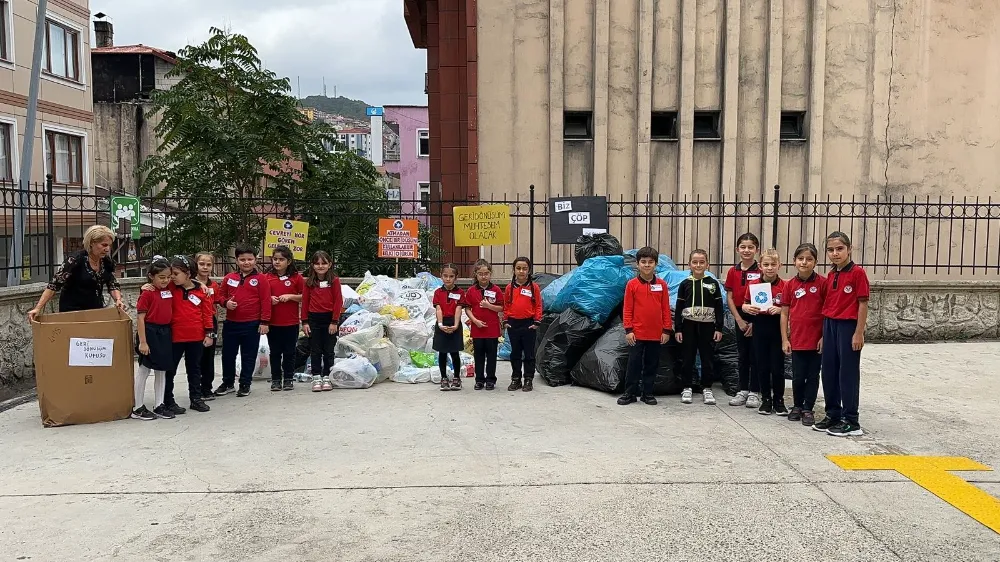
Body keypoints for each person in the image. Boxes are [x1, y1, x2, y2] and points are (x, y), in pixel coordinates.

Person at [814, 232, 869, 437]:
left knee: (847, 373)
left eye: (839, 249)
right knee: (828, 371)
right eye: (830, 250)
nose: (835, 253)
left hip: (848, 326)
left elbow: (862, 304)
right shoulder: (831, 274)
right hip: (830, 325)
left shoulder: (858, 273)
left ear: (849, 249)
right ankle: (833, 414)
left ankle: (851, 420)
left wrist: (858, 333)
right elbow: (828, 304)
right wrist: (822, 335)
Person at [28, 225, 126, 321]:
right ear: (92, 243)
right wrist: (38, 308)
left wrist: (118, 299)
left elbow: (112, 284)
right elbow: (54, 285)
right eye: (104, 245)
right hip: (73, 312)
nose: (107, 249)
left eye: (109, 245)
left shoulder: (106, 262)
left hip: (95, 311)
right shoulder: (74, 260)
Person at [617, 247, 672, 406]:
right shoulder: (632, 285)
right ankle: (629, 393)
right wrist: (628, 329)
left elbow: (665, 309)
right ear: (637, 264)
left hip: (656, 334)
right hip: (637, 334)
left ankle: (647, 393)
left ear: (656, 264)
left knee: (651, 364)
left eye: (650, 262)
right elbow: (627, 309)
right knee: (633, 364)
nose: (647, 265)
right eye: (643, 262)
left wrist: (666, 330)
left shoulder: (661, 285)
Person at [215, 245, 271, 398]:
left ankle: (245, 384)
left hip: (252, 324)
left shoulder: (261, 279)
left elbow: (266, 301)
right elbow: (219, 296)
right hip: (231, 323)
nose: (246, 262)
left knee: (249, 355)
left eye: (250, 259)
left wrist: (264, 322)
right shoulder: (229, 278)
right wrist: (225, 303)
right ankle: (227, 383)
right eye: (243, 260)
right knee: (227, 355)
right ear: (237, 260)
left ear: (255, 260)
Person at [780, 243, 826, 427]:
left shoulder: (823, 283)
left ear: (815, 262)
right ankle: (797, 406)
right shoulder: (790, 285)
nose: (804, 262)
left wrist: (824, 337)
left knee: (813, 376)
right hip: (797, 339)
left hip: (816, 341)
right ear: (794, 262)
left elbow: (828, 312)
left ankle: (808, 408)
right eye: (801, 259)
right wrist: (785, 338)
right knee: (798, 376)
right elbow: (784, 313)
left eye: (809, 259)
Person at [162, 255, 215, 414]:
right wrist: (146, 286)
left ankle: (196, 399)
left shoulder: (201, 292)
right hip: (175, 337)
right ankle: (168, 400)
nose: (172, 277)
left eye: (176, 273)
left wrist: (209, 334)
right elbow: (156, 280)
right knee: (170, 370)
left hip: (196, 337)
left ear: (188, 274)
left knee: (194, 369)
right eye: (172, 273)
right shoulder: (170, 287)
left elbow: (207, 315)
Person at [674, 249, 724, 405]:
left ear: (707, 264)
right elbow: (679, 306)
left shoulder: (713, 283)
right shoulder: (685, 284)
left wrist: (719, 328)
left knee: (707, 358)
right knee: (687, 357)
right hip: (688, 326)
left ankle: (707, 388)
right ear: (689, 264)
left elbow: (719, 308)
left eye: (702, 262)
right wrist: (678, 329)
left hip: (708, 327)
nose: (698, 265)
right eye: (695, 262)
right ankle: (687, 387)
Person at [742, 248, 786, 415]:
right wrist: (747, 308)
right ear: (759, 266)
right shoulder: (753, 285)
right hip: (759, 327)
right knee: (762, 365)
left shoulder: (784, 286)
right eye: (766, 264)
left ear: (779, 265)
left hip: (776, 328)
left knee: (777, 366)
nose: (769, 268)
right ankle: (766, 399)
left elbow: (790, 309)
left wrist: (780, 310)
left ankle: (779, 400)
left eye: (773, 264)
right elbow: (744, 304)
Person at [132, 257, 174, 421]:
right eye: (161, 277)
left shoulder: (169, 289)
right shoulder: (147, 293)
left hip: (165, 331)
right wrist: (143, 341)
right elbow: (140, 318)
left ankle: (159, 404)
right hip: (150, 331)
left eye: (168, 277)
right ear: (151, 276)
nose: (165, 280)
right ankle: (138, 407)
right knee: (144, 369)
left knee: (162, 369)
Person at [724, 233, 762, 408]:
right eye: (743, 247)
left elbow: (764, 298)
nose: (746, 250)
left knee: (756, 355)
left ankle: (755, 391)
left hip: (758, 315)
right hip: (740, 315)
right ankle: (743, 389)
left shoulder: (761, 270)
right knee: (743, 355)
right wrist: (738, 320)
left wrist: (756, 322)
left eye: (750, 247)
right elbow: (729, 297)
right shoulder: (733, 271)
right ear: (737, 249)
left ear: (756, 250)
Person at [301, 251, 343, 392]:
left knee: (328, 350)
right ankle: (316, 376)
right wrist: (304, 322)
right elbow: (305, 302)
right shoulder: (309, 282)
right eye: (317, 263)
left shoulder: (334, 281)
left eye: (324, 263)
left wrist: (334, 321)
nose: (320, 266)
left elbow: (338, 301)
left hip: (329, 319)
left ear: (330, 264)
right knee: (315, 350)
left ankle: (327, 376)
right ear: (312, 265)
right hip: (313, 319)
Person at [265, 246, 304, 392]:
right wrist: (269, 299)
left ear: (288, 261)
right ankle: (276, 379)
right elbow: (261, 297)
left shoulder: (296, 277)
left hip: (291, 322)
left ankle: (288, 378)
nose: (277, 262)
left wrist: (290, 297)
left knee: (289, 352)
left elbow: (305, 296)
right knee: (274, 352)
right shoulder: (266, 277)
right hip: (273, 322)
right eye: (275, 259)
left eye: (281, 259)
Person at [503, 257, 543, 392]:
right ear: (514, 270)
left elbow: (538, 305)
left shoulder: (534, 287)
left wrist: (537, 321)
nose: (521, 271)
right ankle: (516, 378)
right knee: (515, 353)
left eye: (524, 268)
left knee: (529, 354)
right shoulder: (509, 288)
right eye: (518, 268)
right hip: (513, 324)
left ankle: (528, 378)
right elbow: (506, 305)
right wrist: (506, 320)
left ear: (529, 270)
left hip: (529, 324)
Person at [464, 259, 504, 391]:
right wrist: (475, 321)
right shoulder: (471, 291)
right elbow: (467, 308)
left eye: (486, 273)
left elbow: (501, 308)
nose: (483, 276)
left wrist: (489, 306)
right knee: (479, 356)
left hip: (492, 329)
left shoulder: (496, 289)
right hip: (477, 329)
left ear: (490, 274)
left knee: (492, 356)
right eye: (480, 273)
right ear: (476, 274)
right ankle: (479, 379)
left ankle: (491, 379)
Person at [194, 252, 223, 401]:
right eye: (202, 264)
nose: (205, 267)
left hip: (211, 322)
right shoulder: (190, 283)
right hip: (195, 322)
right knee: (196, 357)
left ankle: (207, 388)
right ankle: (196, 390)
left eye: (208, 264)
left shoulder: (214, 285)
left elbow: (217, 302)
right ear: (196, 264)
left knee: (209, 357)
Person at [432, 263, 465, 391]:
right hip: (442, 323)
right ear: (441, 277)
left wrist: (456, 325)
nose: (448, 279)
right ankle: (444, 378)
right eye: (445, 276)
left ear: (456, 278)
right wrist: (440, 325)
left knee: (455, 352)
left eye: (451, 276)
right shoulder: (438, 292)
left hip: (454, 322)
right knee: (442, 352)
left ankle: (456, 378)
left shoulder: (460, 292)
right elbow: (438, 309)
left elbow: (458, 309)